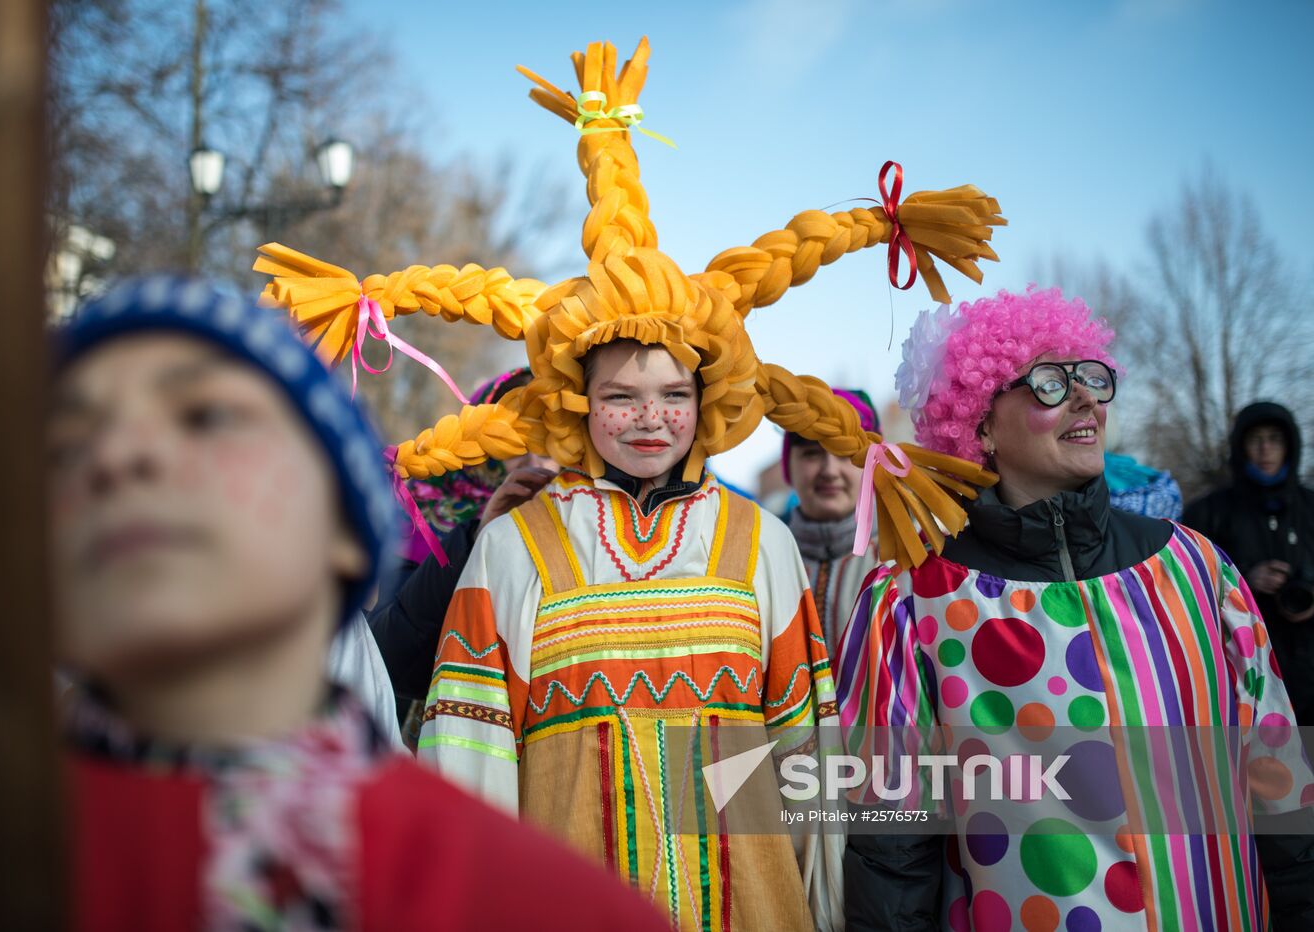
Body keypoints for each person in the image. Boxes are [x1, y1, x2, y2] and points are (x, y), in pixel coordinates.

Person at [256, 37, 1006, 932]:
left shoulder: (758, 544)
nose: (649, 418)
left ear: (705, 401)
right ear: (580, 402)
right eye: (621, 396)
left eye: (671, 395)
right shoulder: (513, 546)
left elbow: (807, 755)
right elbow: (470, 760)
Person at [0, 276, 672, 930]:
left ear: (342, 530)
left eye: (208, 418)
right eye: (71, 440)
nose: (125, 457)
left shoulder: (546, 909)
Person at [836, 288, 1314, 929]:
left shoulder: (1198, 569)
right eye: (1049, 382)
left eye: (1090, 375)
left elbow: (1280, 783)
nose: (1087, 397)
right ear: (980, 423)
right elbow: (891, 846)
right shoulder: (911, 599)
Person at [369, 367, 557, 718]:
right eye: (513, 442)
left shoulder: (592, 514)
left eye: (549, 442)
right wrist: (476, 538)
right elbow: (390, 656)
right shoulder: (422, 516)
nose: (533, 464)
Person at [1184, 402, 1314, 723]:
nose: (1265, 448)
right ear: (1240, 447)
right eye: (1255, 439)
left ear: (1290, 445)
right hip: (1244, 668)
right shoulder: (1208, 513)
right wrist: (1242, 580)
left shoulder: (1310, 507)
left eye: (1274, 438)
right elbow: (1186, 585)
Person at [780, 388, 881, 655]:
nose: (829, 471)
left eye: (846, 453)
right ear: (788, 465)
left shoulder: (906, 560)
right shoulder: (759, 561)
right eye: (812, 453)